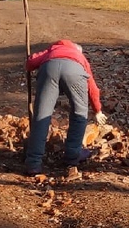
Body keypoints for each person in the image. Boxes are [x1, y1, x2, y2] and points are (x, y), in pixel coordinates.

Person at [23, 40, 108, 177]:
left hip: (49, 68)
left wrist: (31, 60)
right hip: (74, 71)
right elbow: (92, 87)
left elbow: (30, 63)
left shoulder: (52, 49)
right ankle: (73, 155)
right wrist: (97, 110)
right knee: (79, 112)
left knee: (41, 115)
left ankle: (33, 163)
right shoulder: (80, 57)